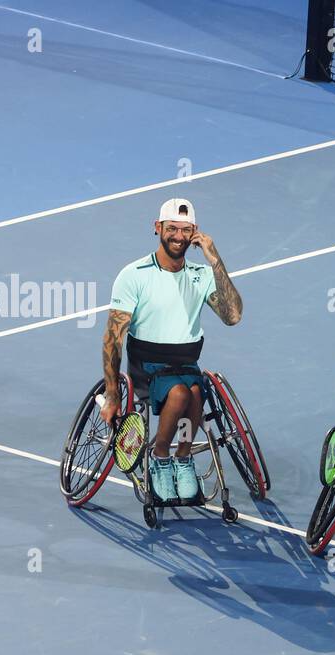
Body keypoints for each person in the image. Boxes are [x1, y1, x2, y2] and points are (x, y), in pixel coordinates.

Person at [100, 198, 244, 503]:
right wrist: (113, 393)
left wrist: (214, 258)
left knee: (194, 392)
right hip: (147, 366)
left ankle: (182, 456)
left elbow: (232, 316)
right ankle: (161, 456)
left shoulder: (201, 275)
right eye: (171, 229)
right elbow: (113, 338)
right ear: (158, 228)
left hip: (185, 363)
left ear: (194, 232)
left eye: (185, 229)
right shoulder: (134, 274)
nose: (178, 236)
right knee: (180, 393)